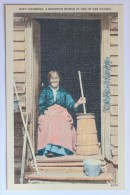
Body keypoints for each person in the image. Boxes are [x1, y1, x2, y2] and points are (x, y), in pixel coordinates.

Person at [37, 71, 86, 157]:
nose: (54, 80)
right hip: (48, 113)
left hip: (61, 113)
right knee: (50, 121)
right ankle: (50, 149)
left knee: (64, 121)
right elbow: (41, 105)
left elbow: (71, 105)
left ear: (59, 79)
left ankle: (62, 150)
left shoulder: (64, 92)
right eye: (52, 78)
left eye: (56, 78)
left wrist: (78, 103)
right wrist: (46, 112)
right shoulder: (44, 91)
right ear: (49, 80)